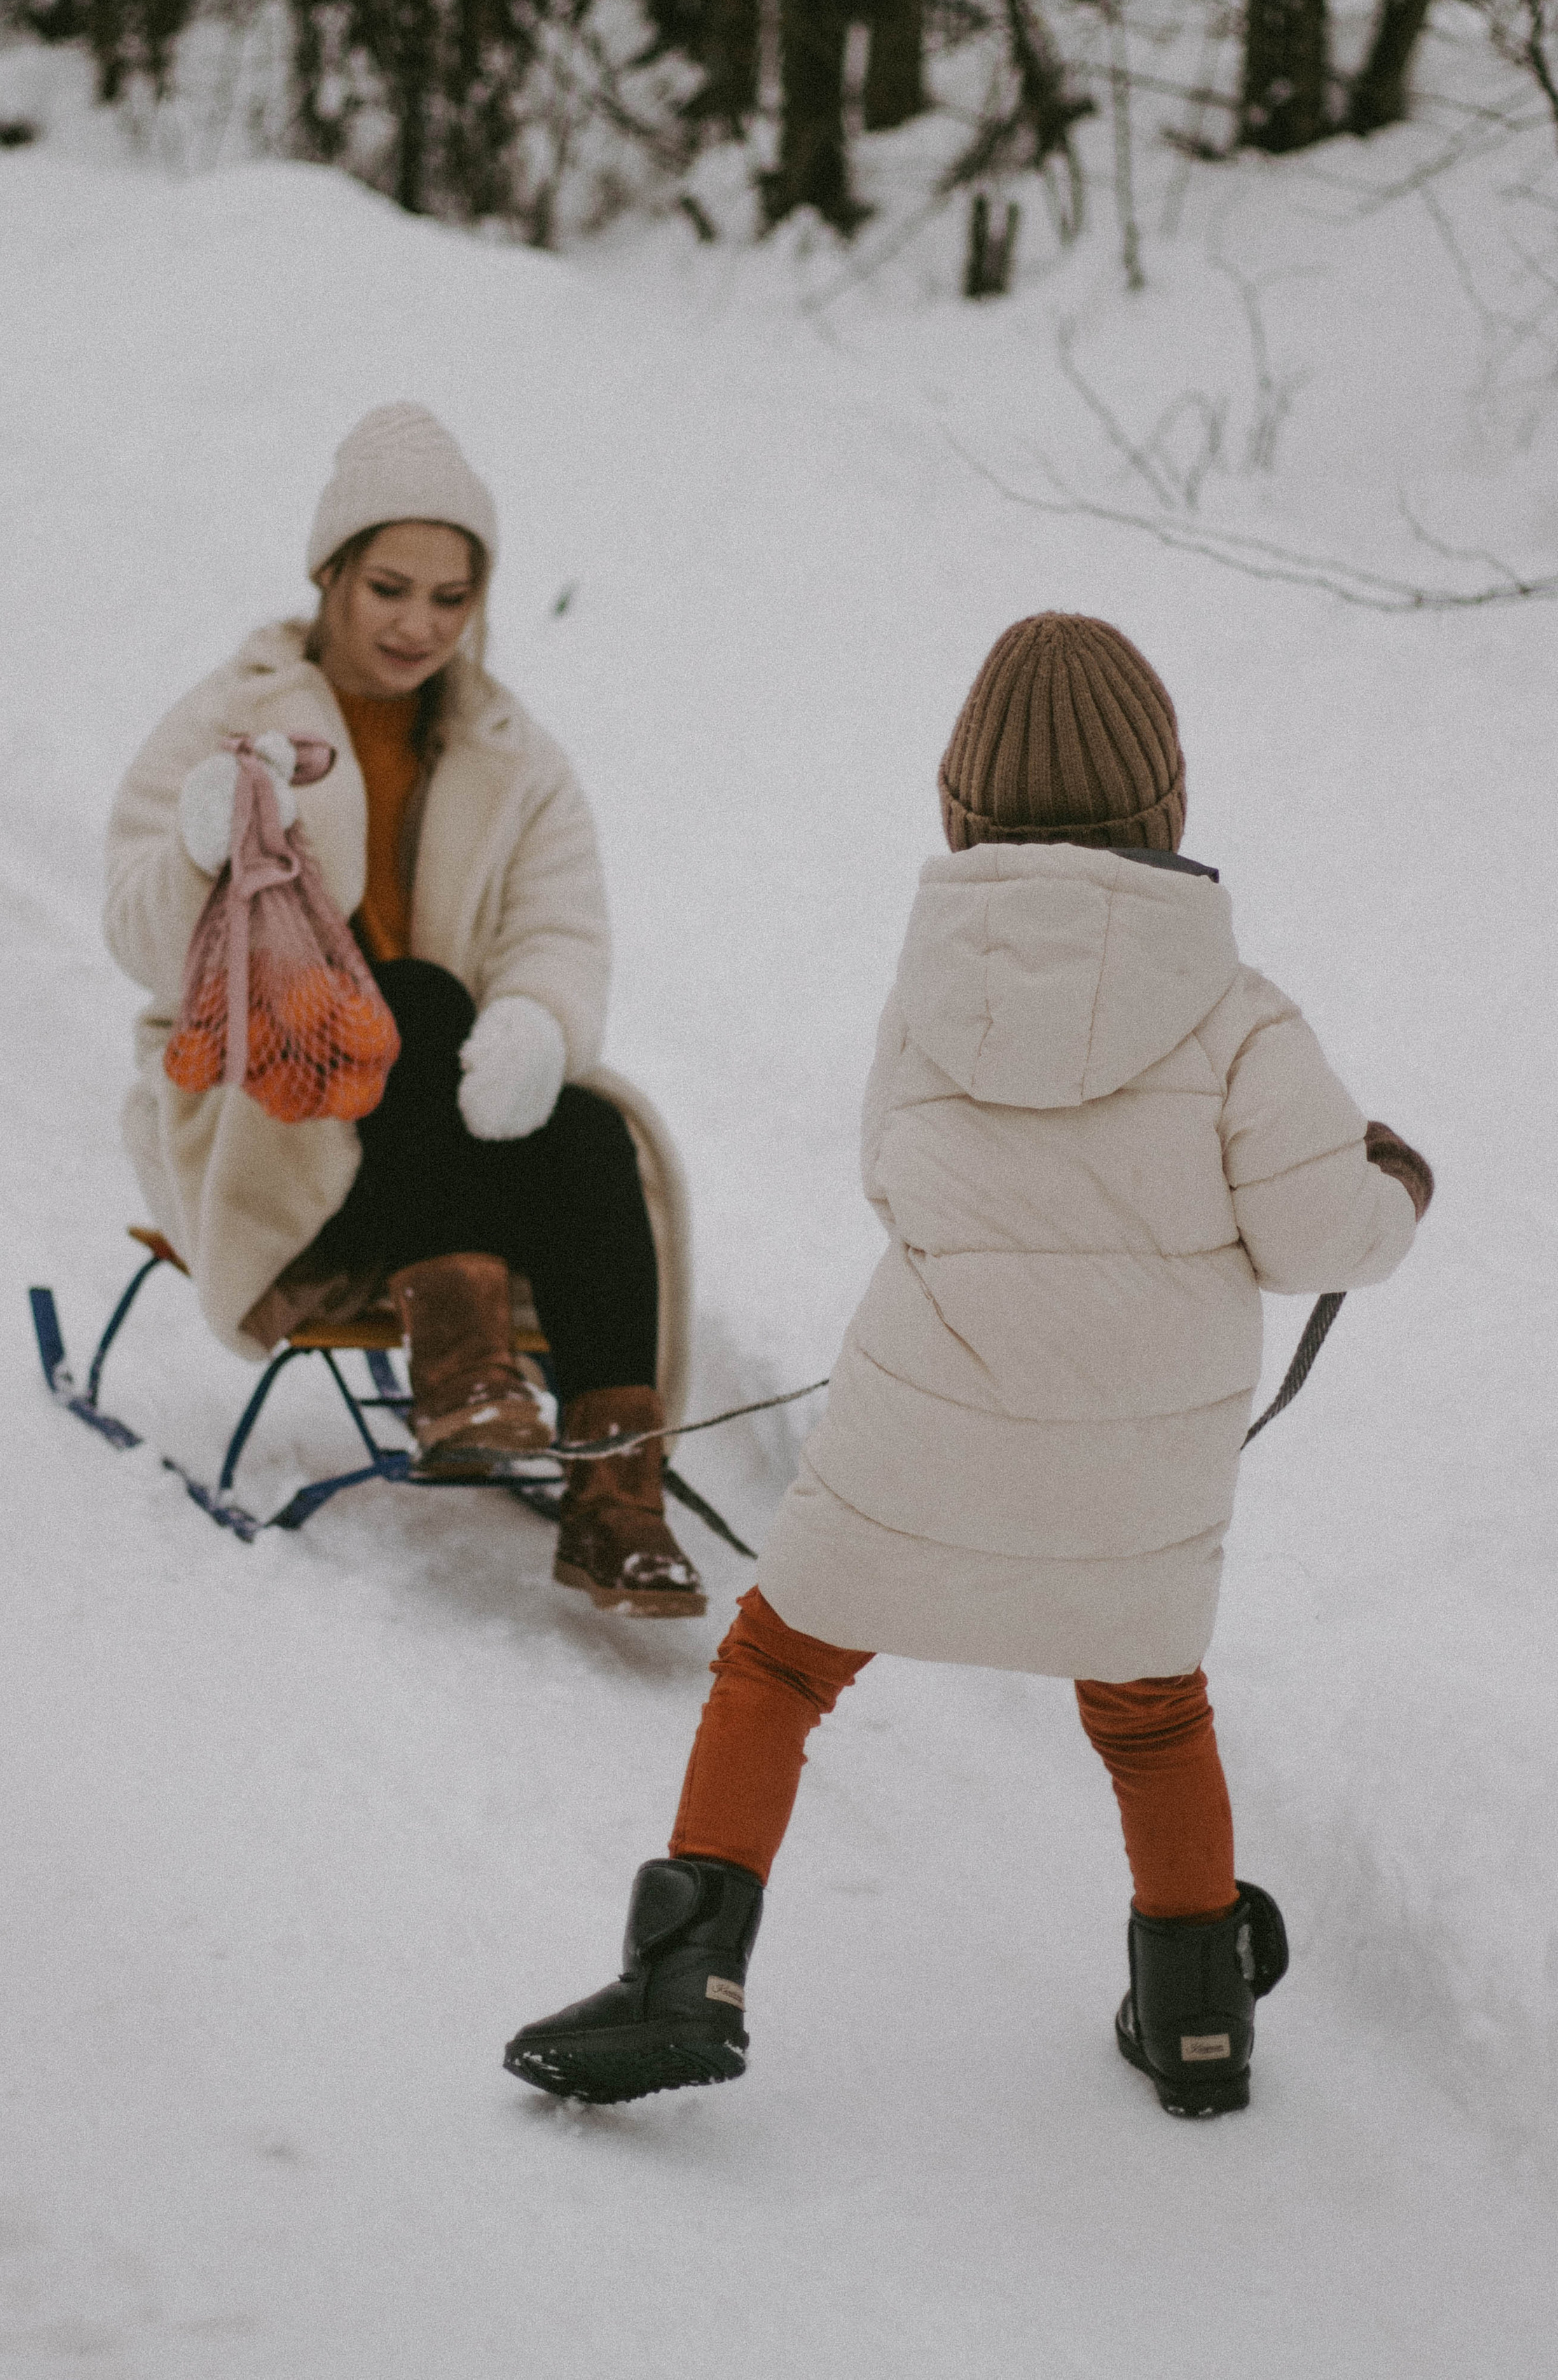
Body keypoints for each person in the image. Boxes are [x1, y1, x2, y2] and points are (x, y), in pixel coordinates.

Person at [504, 611, 1433, 2110]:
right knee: (1146, 1712)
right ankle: (1197, 2014)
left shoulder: (928, 995)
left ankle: (684, 1971)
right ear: (1170, 806)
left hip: (923, 1423)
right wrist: (1393, 1180)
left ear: (956, 808)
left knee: (778, 1665)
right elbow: (1323, 1235)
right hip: (1133, 1455)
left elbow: (889, 1173)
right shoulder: (1240, 1013)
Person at [104, 401, 704, 1617]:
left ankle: (616, 1502)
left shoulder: (510, 750)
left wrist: (538, 1022)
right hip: (284, 1125)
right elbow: (134, 935)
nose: (417, 624)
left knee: (593, 1134)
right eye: (388, 587)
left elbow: (560, 925)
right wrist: (196, 851)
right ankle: (463, 1371)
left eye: (449, 597)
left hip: (442, 1124)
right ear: (329, 574)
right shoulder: (235, 717)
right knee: (419, 996)